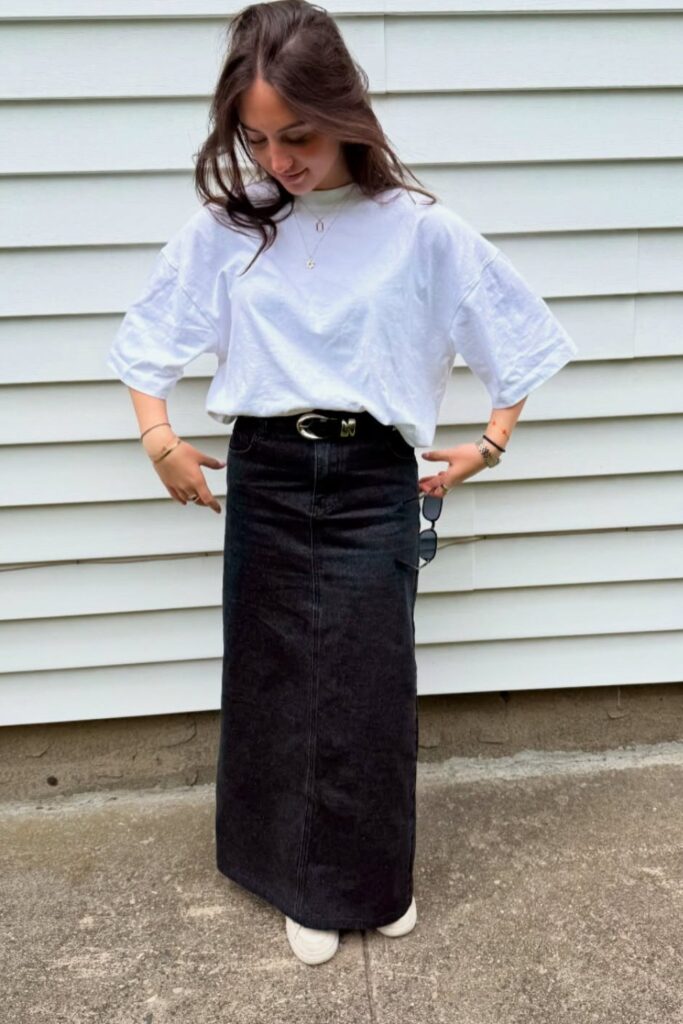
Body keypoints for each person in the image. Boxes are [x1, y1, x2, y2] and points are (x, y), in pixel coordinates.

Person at [106, 0, 578, 966]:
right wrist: (159, 441)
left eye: (298, 135)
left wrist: (487, 445)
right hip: (269, 474)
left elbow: (517, 336)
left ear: (343, 113)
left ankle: (371, 882)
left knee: (368, 685)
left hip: (373, 479)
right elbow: (147, 340)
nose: (278, 159)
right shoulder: (228, 228)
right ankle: (294, 882)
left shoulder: (422, 231)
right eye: (256, 138)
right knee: (273, 681)